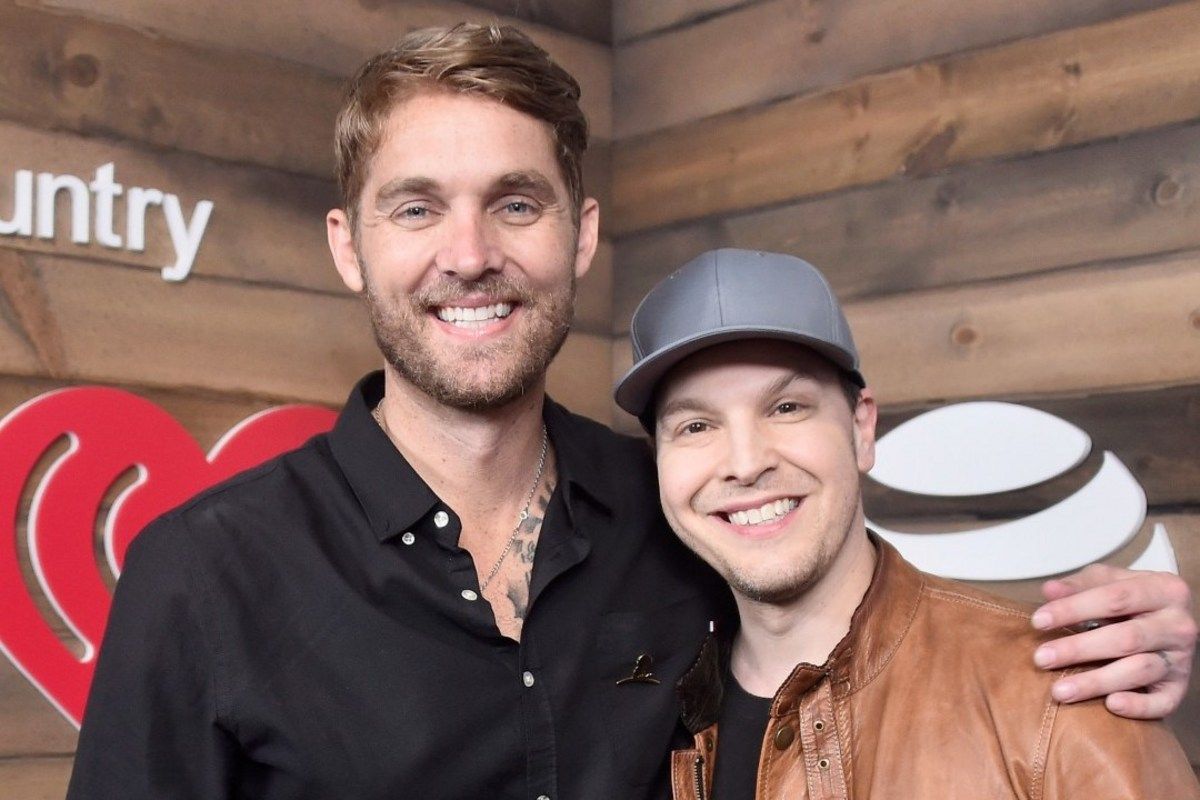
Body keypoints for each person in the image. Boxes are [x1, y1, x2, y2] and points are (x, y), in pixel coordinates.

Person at [67, 24, 1196, 800]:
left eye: (517, 202)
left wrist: (1115, 641)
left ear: (581, 235)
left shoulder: (676, 518)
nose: (470, 255)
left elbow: (870, 637)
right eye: (417, 208)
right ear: (348, 246)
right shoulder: (199, 577)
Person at [614, 248, 1200, 799]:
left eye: (787, 407)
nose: (745, 463)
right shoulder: (634, 701)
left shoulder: (1064, 700)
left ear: (861, 429)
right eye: (695, 426)